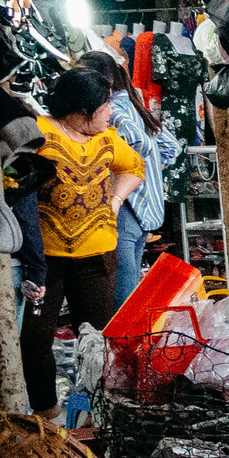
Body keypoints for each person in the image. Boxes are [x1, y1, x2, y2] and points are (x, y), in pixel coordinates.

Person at [19, 64, 144, 415]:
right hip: (46, 260)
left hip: (97, 256)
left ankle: (100, 411)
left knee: (97, 339)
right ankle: (48, 414)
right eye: (104, 104)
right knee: (35, 339)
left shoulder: (107, 139)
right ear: (80, 110)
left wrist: (116, 201)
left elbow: (135, 167)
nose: (111, 111)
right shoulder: (39, 133)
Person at [77, 52, 171, 310]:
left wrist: (121, 168)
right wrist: (148, 172)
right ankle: (134, 342)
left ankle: (127, 344)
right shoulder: (132, 101)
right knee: (129, 289)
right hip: (145, 206)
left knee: (123, 295)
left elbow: (138, 141)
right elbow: (170, 146)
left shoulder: (113, 109)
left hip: (127, 207)